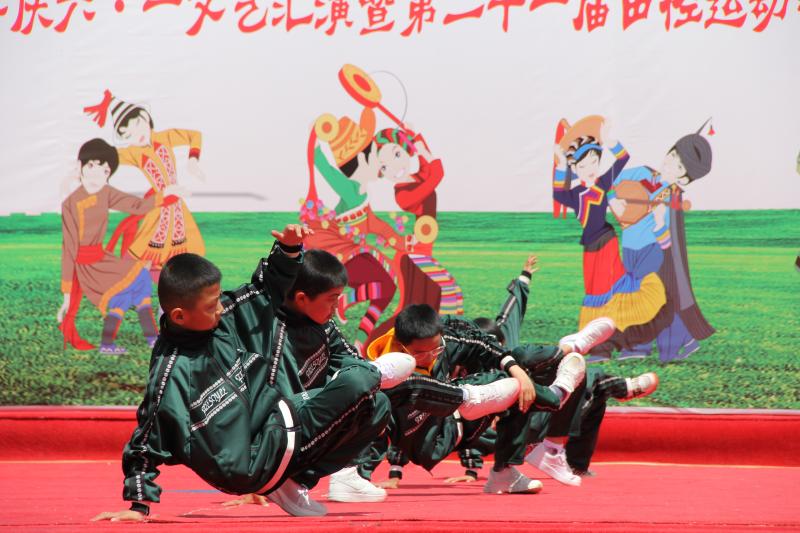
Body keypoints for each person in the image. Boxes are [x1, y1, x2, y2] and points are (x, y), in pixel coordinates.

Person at [91, 224, 422, 521]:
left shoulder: (221, 320)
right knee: (360, 382)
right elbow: (145, 440)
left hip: (272, 426)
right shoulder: (171, 372)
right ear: (179, 316)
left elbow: (264, 289)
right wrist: (138, 506)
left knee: (376, 405)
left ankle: (292, 482)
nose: (220, 308)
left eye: (217, 299)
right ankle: (373, 374)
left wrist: (288, 250)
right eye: (210, 306)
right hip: (246, 465)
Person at [363, 304, 617, 494]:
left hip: (467, 414)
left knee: (517, 363)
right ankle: (556, 396)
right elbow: (374, 427)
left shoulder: (445, 337)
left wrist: (517, 371)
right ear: (401, 344)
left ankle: (567, 349)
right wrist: (367, 475)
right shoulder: (383, 373)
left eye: (436, 349)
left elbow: (482, 342)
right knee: (504, 382)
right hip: (432, 438)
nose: (431, 356)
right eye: (421, 353)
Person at [553, 117, 666, 361]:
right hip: (590, 250)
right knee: (596, 294)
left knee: (610, 292)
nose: (590, 167)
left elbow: (623, 158)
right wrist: (561, 164)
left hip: (606, 243)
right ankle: (600, 346)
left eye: (594, 161)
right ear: (576, 169)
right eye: (583, 165)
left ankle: (623, 343)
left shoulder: (603, 183)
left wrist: (609, 140)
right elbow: (558, 193)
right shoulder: (575, 194)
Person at [57, 138, 181, 353]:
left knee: (137, 284)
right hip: (88, 266)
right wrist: (67, 293)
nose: (98, 174)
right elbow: (68, 249)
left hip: (103, 258)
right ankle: (137, 340)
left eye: (105, 171)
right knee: (128, 289)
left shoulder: (106, 192)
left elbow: (137, 206)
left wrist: (163, 196)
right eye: (92, 166)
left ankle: (143, 339)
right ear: (80, 166)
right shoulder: (70, 204)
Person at [84, 90, 206, 282]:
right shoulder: (134, 152)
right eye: (127, 134)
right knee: (145, 250)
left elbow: (194, 135)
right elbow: (109, 155)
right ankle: (145, 283)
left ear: (144, 117)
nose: (136, 135)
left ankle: (172, 283)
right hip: (159, 206)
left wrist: (192, 159)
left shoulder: (165, 138)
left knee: (182, 248)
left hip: (176, 206)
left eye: (136, 126)